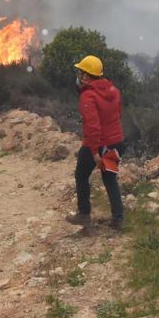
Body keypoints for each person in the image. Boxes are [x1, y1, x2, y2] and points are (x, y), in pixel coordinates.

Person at [65, 55, 126, 231]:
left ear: (86, 76)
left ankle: (84, 214)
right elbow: (118, 115)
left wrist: (94, 152)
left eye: (81, 72)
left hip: (99, 144)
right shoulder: (114, 90)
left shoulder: (88, 96)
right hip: (116, 142)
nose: (78, 75)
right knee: (109, 178)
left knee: (81, 175)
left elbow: (93, 127)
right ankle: (118, 219)